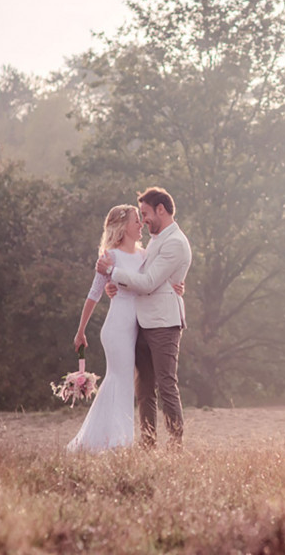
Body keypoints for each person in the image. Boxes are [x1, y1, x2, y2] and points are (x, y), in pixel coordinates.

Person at [97, 186, 192, 449]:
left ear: (161, 209)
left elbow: (149, 282)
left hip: (164, 324)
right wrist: (113, 286)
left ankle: (175, 444)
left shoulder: (175, 242)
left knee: (166, 383)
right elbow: (145, 275)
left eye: (146, 213)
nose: (144, 219)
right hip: (142, 322)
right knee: (145, 387)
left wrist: (113, 273)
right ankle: (148, 443)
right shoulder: (158, 238)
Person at [67, 204, 146, 452]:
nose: (141, 224)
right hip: (116, 328)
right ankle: (118, 442)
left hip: (137, 328)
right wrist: (81, 331)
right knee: (120, 380)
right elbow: (94, 294)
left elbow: (153, 282)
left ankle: (106, 440)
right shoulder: (109, 258)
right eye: (136, 220)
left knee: (121, 381)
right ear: (123, 227)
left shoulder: (144, 256)